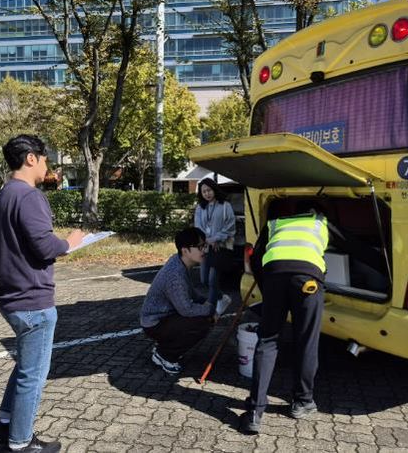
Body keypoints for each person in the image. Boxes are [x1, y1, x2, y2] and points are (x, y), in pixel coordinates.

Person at [0, 135, 86, 452]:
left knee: (25, 366)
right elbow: (44, 246)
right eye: (45, 159)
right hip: (32, 300)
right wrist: (70, 242)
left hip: (10, 296)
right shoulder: (30, 196)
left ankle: (4, 424)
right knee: (34, 374)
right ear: (31, 158)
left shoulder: (3, 196)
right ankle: (21, 442)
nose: (47, 166)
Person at [238, 206, 329, 434]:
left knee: (268, 340)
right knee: (306, 340)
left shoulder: (274, 222)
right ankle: (302, 401)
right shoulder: (319, 221)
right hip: (308, 279)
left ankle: (254, 412)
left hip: (275, 276)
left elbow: (256, 258)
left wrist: (267, 290)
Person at [140, 227, 216, 375]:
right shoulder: (175, 275)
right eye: (200, 247)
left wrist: (205, 301)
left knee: (202, 315)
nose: (204, 250)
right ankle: (165, 355)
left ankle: (165, 346)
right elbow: (186, 310)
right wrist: (211, 309)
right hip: (154, 323)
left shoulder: (179, 261)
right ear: (185, 250)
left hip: (164, 317)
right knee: (203, 322)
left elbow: (190, 293)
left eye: (205, 245)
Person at [194, 177, 236, 315]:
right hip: (205, 247)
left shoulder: (225, 206)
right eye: (204, 191)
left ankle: (211, 311)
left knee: (213, 280)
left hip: (220, 247)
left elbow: (230, 226)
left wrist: (216, 239)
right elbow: (198, 227)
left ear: (214, 189)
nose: (207, 193)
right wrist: (208, 240)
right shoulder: (200, 207)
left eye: (209, 190)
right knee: (204, 280)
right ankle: (222, 298)